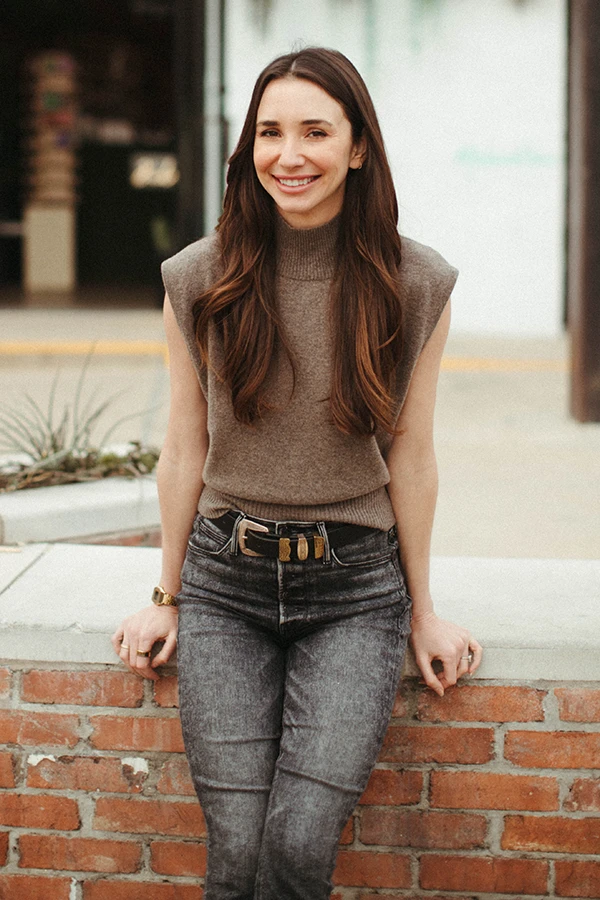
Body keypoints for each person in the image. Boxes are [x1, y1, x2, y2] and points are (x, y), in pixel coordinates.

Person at [112, 46, 482, 900]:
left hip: (354, 595)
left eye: (316, 131)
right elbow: (185, 446)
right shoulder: (197, 278)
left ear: (357, 148)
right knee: (237, 852)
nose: (290, 154)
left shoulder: (414, 280)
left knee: (299, 842)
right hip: (224, 587)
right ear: (249, 149)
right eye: (270, 133)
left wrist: (425, 611)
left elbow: (413, 457)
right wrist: (165, 594)